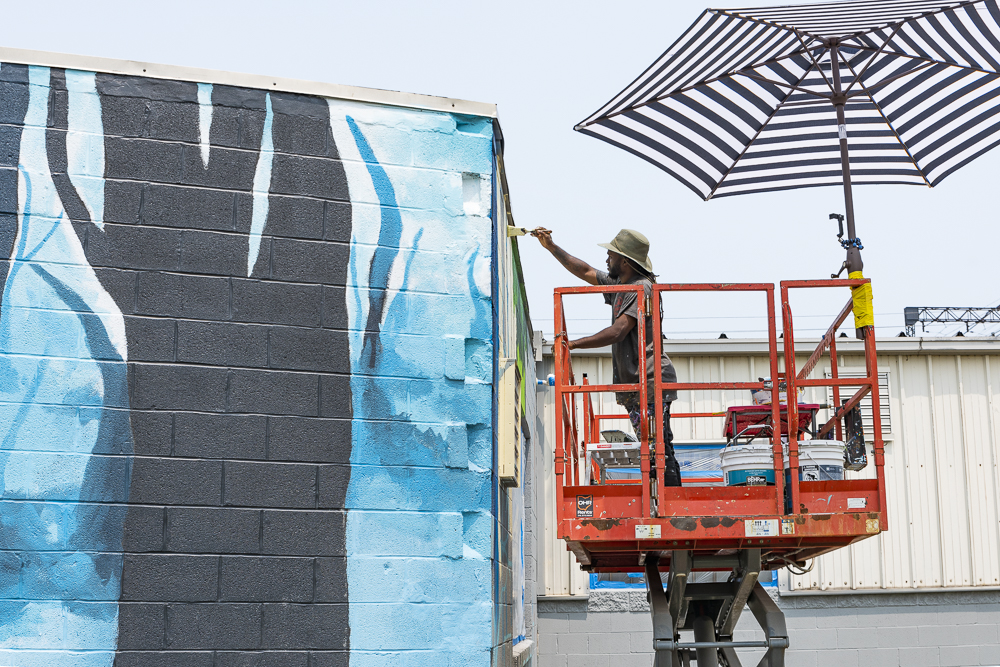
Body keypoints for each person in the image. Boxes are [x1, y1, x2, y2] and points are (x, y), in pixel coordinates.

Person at [531, 227, 682, 487]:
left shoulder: (642, 288)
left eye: (610, 255)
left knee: (659, 450)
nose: (606, 260)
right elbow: (586, 271)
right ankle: (662, 502)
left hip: (650, 381)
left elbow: (618, 331)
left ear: (624, 261)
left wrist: (572, 344)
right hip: (636, 383)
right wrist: (552, 247)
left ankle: (672, 508)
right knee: (651, 448)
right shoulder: (622, 285)